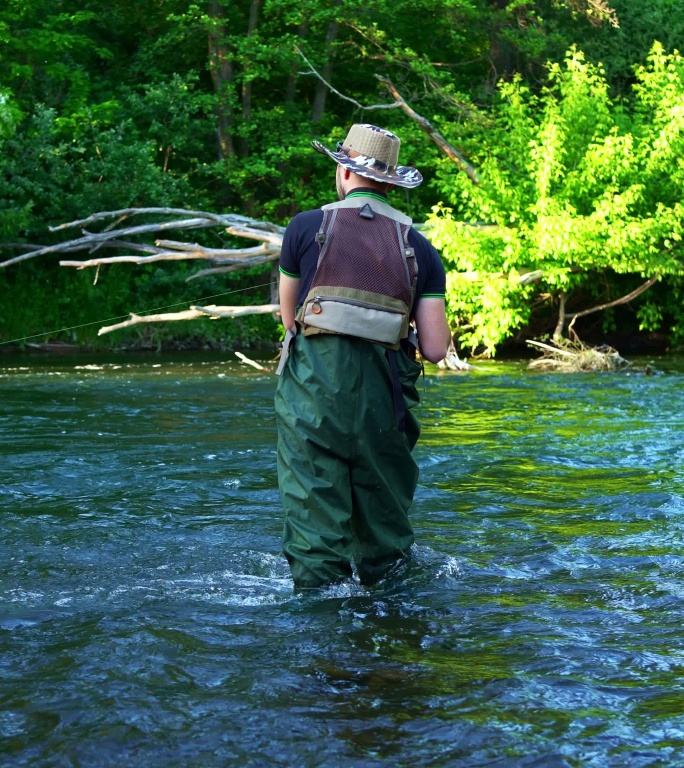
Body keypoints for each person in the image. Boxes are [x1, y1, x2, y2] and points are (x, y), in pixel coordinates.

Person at [274, 123, 450, 589]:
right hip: (384, 403)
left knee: (314, 526)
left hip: (312, 398)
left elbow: (289, 320)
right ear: (391, 183)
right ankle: (392, 632)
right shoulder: (423, 249)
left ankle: (320, 629)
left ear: (343, 170)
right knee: (386, 542)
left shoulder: (303, 228)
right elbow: (434, 349)